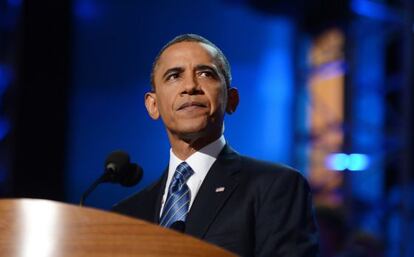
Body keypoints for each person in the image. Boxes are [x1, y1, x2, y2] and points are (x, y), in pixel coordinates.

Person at [112, 34, 319, 257]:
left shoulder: (275, 187)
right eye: (174, 76)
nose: (190, 86)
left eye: (205, 74)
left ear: (231, 100)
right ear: (153, 105)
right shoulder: (126, 215)